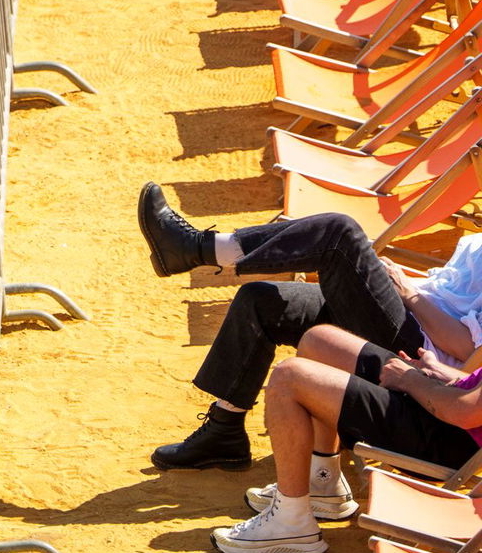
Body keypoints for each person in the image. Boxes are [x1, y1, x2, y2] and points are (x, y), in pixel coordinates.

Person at [137, 182, 482, 473]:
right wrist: (398, 283)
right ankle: (223, 431)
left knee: (338, 234)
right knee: (263, 301)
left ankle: (198, 249)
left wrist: (407, 294)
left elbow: (468, 350)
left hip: (419, 347)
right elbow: (455, 293)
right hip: (411, 310)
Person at [210, 322, 482, 553]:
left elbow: (465, 413)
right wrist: (447, 375)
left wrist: (411, 381)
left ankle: (291, 523)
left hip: (448, 441)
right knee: (320, 340)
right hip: (447, 408)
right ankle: (322, 480)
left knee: (288, 377)